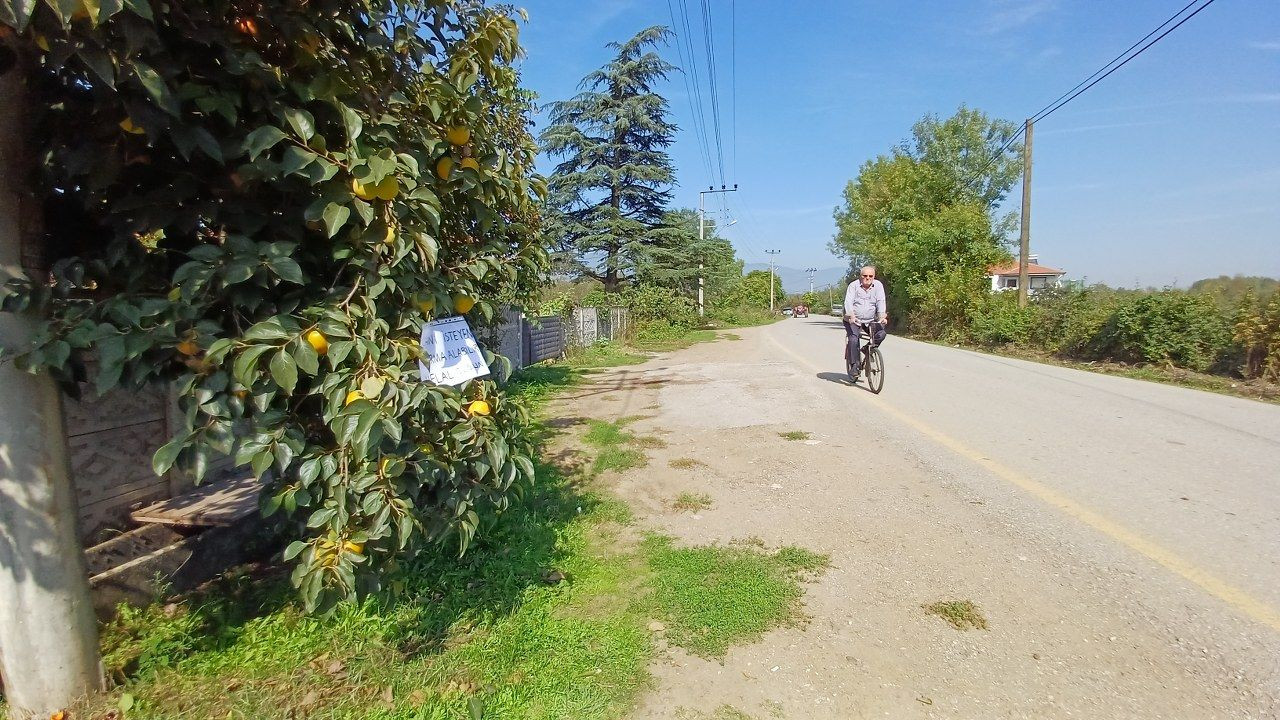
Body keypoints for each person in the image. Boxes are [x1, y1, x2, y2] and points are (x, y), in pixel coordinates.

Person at [843, 265, 888, 371]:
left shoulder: (878, 285)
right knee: (854, 339)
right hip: (854, 319)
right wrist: (851, 315)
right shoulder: (853, 286)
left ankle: (866, 349)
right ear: (860, 276)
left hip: (870, 320)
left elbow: (881, 301)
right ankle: (854, 366)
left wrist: (882, 317)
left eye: (870, 276)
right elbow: (848, 302)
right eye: (865, 276)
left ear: (874, 276)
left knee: (881, 334)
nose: (868, 278)